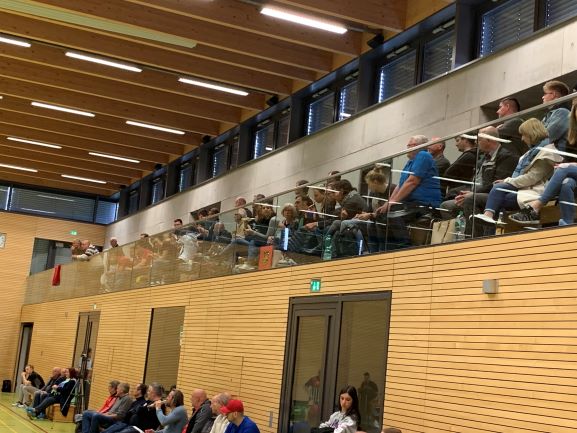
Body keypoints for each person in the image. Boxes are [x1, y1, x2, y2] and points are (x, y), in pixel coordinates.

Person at [474, 118, 561, 225]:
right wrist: (508, 181)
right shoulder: (531, 153)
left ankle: (489, 217)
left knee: (498, 191)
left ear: (532, 134)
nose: (522, 139)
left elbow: (532, 178)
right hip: (525, 187)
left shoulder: (547, 153)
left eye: (524, 135)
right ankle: (489, 217)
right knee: (498, 189)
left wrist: (508, 181)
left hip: (536, 190)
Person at [439, 127, 518, 236]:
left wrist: (473, 193)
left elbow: (497, 184)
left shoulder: (507, 157)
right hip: (476, 192)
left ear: (489, 140)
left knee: (470, 199)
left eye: (479, 139)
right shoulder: (482, 158)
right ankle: (460, 235)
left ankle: (474, 238)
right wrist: (465, 192)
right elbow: (476, 180)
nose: (476, 142)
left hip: (493, 195)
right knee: (446, 205)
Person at [511, 98, 577, 225]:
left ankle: (535, 207)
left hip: (572, 168)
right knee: (566, 183)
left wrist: (570, 165)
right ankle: (567, 223)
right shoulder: (572, 134)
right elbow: (570, 158)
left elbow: (570, 164)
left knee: (563, 168)